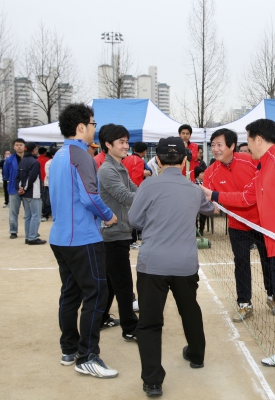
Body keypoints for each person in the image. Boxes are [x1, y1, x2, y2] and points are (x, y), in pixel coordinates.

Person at [202, 119, 275, 391]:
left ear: (257, 139)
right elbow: (246, 198)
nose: (247, 146)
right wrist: (213, 193)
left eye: (248, 139)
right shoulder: (263, 165)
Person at [128, 136, 215, 398]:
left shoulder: (148, 185)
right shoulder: (193, 189)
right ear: (186, 160)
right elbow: (209, 208)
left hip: (153, 262)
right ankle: (196, 354)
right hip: (185, 264)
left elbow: (134, 219)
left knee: (150, 322)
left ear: (157, 159)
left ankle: (152, 380)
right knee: (190, 309)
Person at [48, 103, 118, 378]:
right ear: (81, 127)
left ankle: (69, 349)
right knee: (96, 293)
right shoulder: (81, 155)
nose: (94, 129)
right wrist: (109, 215)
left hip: (61, 237)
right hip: (82, 239)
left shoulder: (60, 155)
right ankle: (87, 355)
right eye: (92, 124)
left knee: (71, 292)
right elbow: (89, 196)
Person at [202, 128, 275, 321]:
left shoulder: (251, 161)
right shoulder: (210, 173)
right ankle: (244, 303)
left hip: (262, 223)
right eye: (213, 145)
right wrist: (212, 205)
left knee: (269, 261)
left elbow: (262, 188)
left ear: (232, 146)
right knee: (241, 264)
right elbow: (209, 199)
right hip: (237, 225)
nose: (215, 149)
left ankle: (273, 297)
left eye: (219, 144)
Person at [97, 123, 139, 339]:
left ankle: (102, 316)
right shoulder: (106, 170)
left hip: (120, 231)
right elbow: (125, 195)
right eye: (121, 142)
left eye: (126, 141)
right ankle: (131, 329)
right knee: (123, 283)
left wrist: (150, 191)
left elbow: (134, 189)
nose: (126, 146)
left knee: (110, 281)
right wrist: (153, 197)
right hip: (112, 235)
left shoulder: (120, 167)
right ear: (108, 144)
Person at [16, 142, 45, 245]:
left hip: (24, 193)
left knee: (28, 216)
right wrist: (25, 187)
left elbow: (19, 176)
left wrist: (21, 188)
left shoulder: (22, 160)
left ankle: (28, 236)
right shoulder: (35, 162)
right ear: (33, 150)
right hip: (33, 192)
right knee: (35, 215)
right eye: (36, 149)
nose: (37, 151)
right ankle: (32, 237)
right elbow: (32, 177)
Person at [3, 139, 26, 239]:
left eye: (21, 145)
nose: (19, 147)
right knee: (13, 211)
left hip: (27, 188)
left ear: (24, 146)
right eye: (17, 145)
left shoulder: (29, 158)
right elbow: (6, 174)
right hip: (13, 188)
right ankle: (13, 231)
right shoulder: (9, 160)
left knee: (29, 212)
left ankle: (30, 231)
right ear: (14, 147)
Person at [41, 148, 56, 222]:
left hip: (57, 185)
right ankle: (45, 215)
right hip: (49, 184)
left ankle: (55, 214)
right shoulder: (48, 163)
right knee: (47, 201)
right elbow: (48, 174)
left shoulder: (60, 162)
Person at [194, 166, 208, 238]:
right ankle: (195, 230)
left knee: (203, 213)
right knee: (193, 214)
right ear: (197, 174)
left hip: (203, 202)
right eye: (202, 173)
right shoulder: (193, 182)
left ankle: (201, 230)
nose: (204, 174)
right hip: (194, 202)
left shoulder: (206, 182)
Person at [37, 147, 50, 217]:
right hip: (46, 181)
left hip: (39, 180)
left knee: (41, 197)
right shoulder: (48, 160)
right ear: (45, 153)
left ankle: (41, 210)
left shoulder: (36, 160)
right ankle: (46, 211)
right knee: (46, 198)